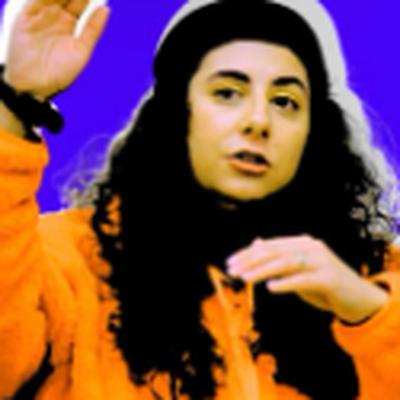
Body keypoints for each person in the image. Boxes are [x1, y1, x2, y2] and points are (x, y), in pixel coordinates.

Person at [0, 0, 399, 399]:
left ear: (313, 132)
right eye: (228, 93)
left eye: (284, 101)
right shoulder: (71, 261)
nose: (258, 121)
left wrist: (368, 314)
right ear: (178, 114)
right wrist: (15, 101)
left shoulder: (369, 280)